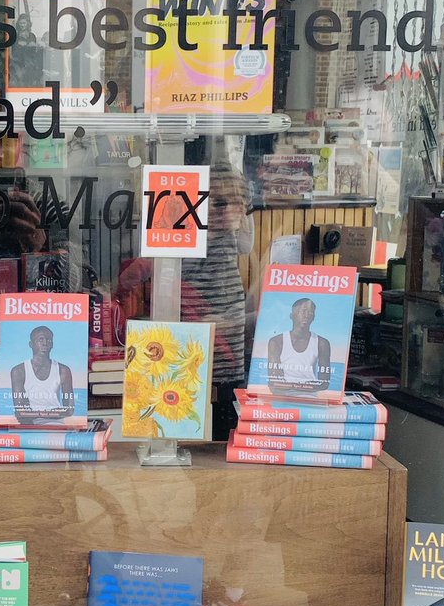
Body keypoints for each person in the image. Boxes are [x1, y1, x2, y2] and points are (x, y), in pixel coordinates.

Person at [116, 159, 255, 439]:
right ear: (199, 206)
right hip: (195, 346)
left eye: (240, 203)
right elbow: (145, 267)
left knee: (223, 418)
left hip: (228, 353)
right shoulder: (191, 239)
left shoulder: (233, 240)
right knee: (184, 416)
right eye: (219, 203)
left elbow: (247, 241)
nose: (233, 210)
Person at [266, 297, 331, 394]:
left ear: (313, 317)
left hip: (310, 396)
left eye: (310, 312)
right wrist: (303, 385)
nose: (307, 316)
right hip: (282, 396)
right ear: (292, 316)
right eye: (303, 311)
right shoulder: (276, 342)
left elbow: (324, 383)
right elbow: (274, 381)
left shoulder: (322, 343)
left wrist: (293, 386)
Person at [10, 324, 74, 422]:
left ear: (52, 344)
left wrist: (36, 413)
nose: (45, 343)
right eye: (40, 339)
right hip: (29, 424)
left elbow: (69, 410)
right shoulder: (19, 371)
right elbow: (20, 412)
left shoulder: (63, 370)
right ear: (31, 344)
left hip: (56, 424)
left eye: (48, 340)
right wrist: (51, 412)